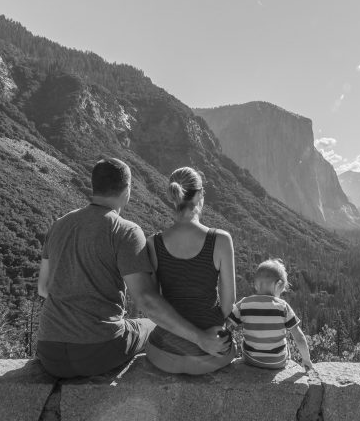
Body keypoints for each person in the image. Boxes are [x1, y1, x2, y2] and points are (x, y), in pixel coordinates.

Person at [36, 158, 228, 378]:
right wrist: (200, 338)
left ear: (94, 186)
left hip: (49, 352)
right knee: (152, 327)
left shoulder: (59, 224)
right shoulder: (125, 231)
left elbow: (43, 288)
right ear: (127, 190)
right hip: (96, 351)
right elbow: (147, 301)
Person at [144, 167, 237, 374]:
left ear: (172, 196)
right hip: (211, 354)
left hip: (164, 354)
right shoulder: (220, 240)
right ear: (200, 194)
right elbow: (228, 305)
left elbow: (154, 303)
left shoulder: (153, 243)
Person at [227, 259, 313, 370]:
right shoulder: (282, 306)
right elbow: (299, 337)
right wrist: (306, 360)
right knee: (285, 345)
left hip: (250, 359)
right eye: (282, 289)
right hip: (277, 362)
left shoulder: (244, 303)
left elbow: (226, 325)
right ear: (278, 284)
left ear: (256, 285)